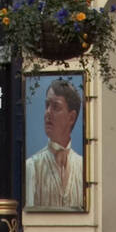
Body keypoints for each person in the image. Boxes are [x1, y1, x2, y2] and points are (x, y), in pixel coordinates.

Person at [25, 78, 84, 210]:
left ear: (71, 117)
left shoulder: (83, 167)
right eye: (47, 106)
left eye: (55, 107)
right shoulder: (32, 166)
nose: (48, 113)